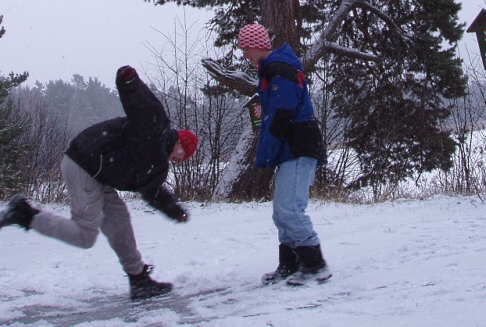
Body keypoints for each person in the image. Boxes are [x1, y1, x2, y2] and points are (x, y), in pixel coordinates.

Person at [0, 65, 198, 301]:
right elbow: (144, 106)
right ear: (180, 144)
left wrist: (173, 210)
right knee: (84, 236)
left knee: (119, 222)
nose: (180, 160)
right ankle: (24, 214)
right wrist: (129, 82)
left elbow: (151, 191)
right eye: (184, 154)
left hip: (98, 175)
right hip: (82, 164)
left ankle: (139, 280)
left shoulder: (157, 164)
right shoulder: (155, 130)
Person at [237, 23, 331, 286]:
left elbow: (283, 112)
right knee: (281, 211)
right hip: (290, 147)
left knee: (290, 208)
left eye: (246, 49)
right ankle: (289, 265)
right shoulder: (271, 70)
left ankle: (315, 265)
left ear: (257, 45)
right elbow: (274, 116)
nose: (244, 55)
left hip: (300, 145)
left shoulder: (279, 69)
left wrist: (269, 148)